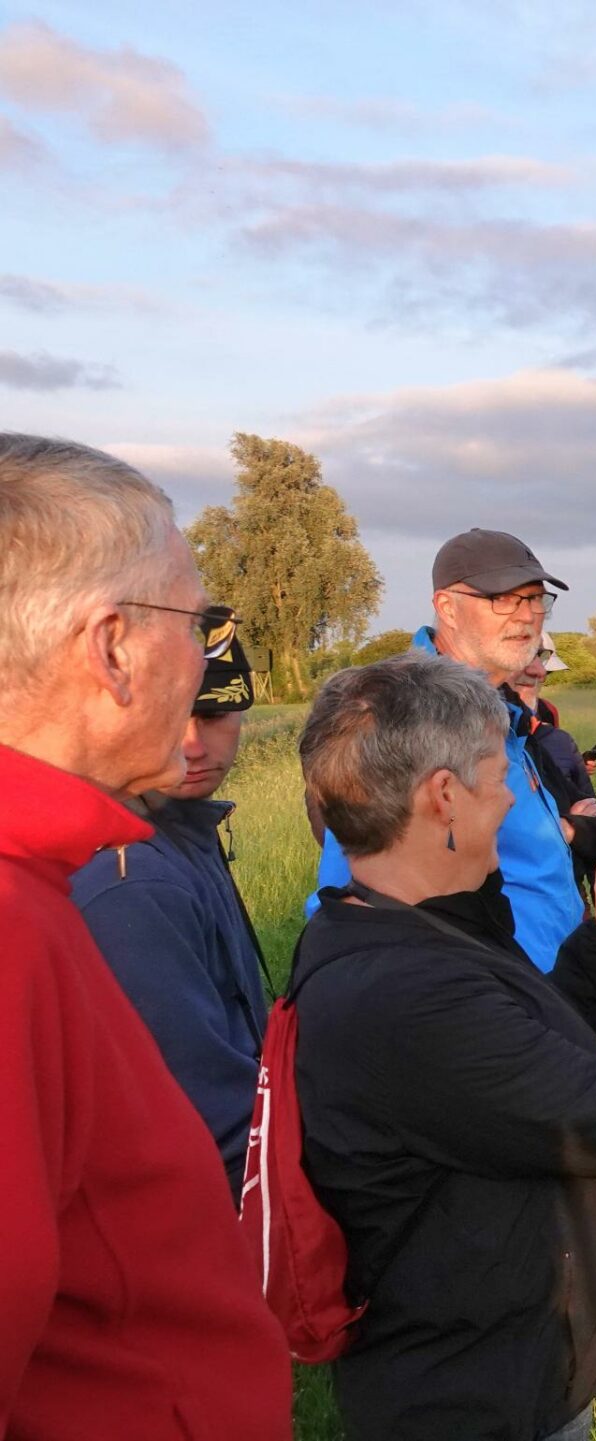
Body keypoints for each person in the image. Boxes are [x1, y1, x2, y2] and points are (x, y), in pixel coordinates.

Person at [291, 651, 596, 1441]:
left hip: (498, 1366)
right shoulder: (405, 991)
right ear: (445, 796)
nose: (515, 801)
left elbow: (515, 1054)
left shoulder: (393, 921)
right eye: (503, 778)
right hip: (475, 1401)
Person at [0, 433, 292, 1437]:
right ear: (112, 646)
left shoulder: (48, 875)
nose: (204, 658)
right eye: (196, 620)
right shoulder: (14, 929)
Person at [310, 528, 584, 970]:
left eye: (536, 599)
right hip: (482, 1003)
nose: (528, 615)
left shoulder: (501, 709)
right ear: (446, 607)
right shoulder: (402, 711)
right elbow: (355, 883)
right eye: (505, 598)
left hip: (550, 991)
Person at [71, 622, 270, 1199]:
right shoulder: (131, 880)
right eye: (170, 714)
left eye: (212, 717)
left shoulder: (186, 830)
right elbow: (208, 1124)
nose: (192, 745)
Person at [512, 632, 596, 887]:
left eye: (542, 664)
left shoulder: (553, 734)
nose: (540, 675)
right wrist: (567, 825)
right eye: (527, 660)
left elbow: (592, 808)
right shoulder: (491, 739)